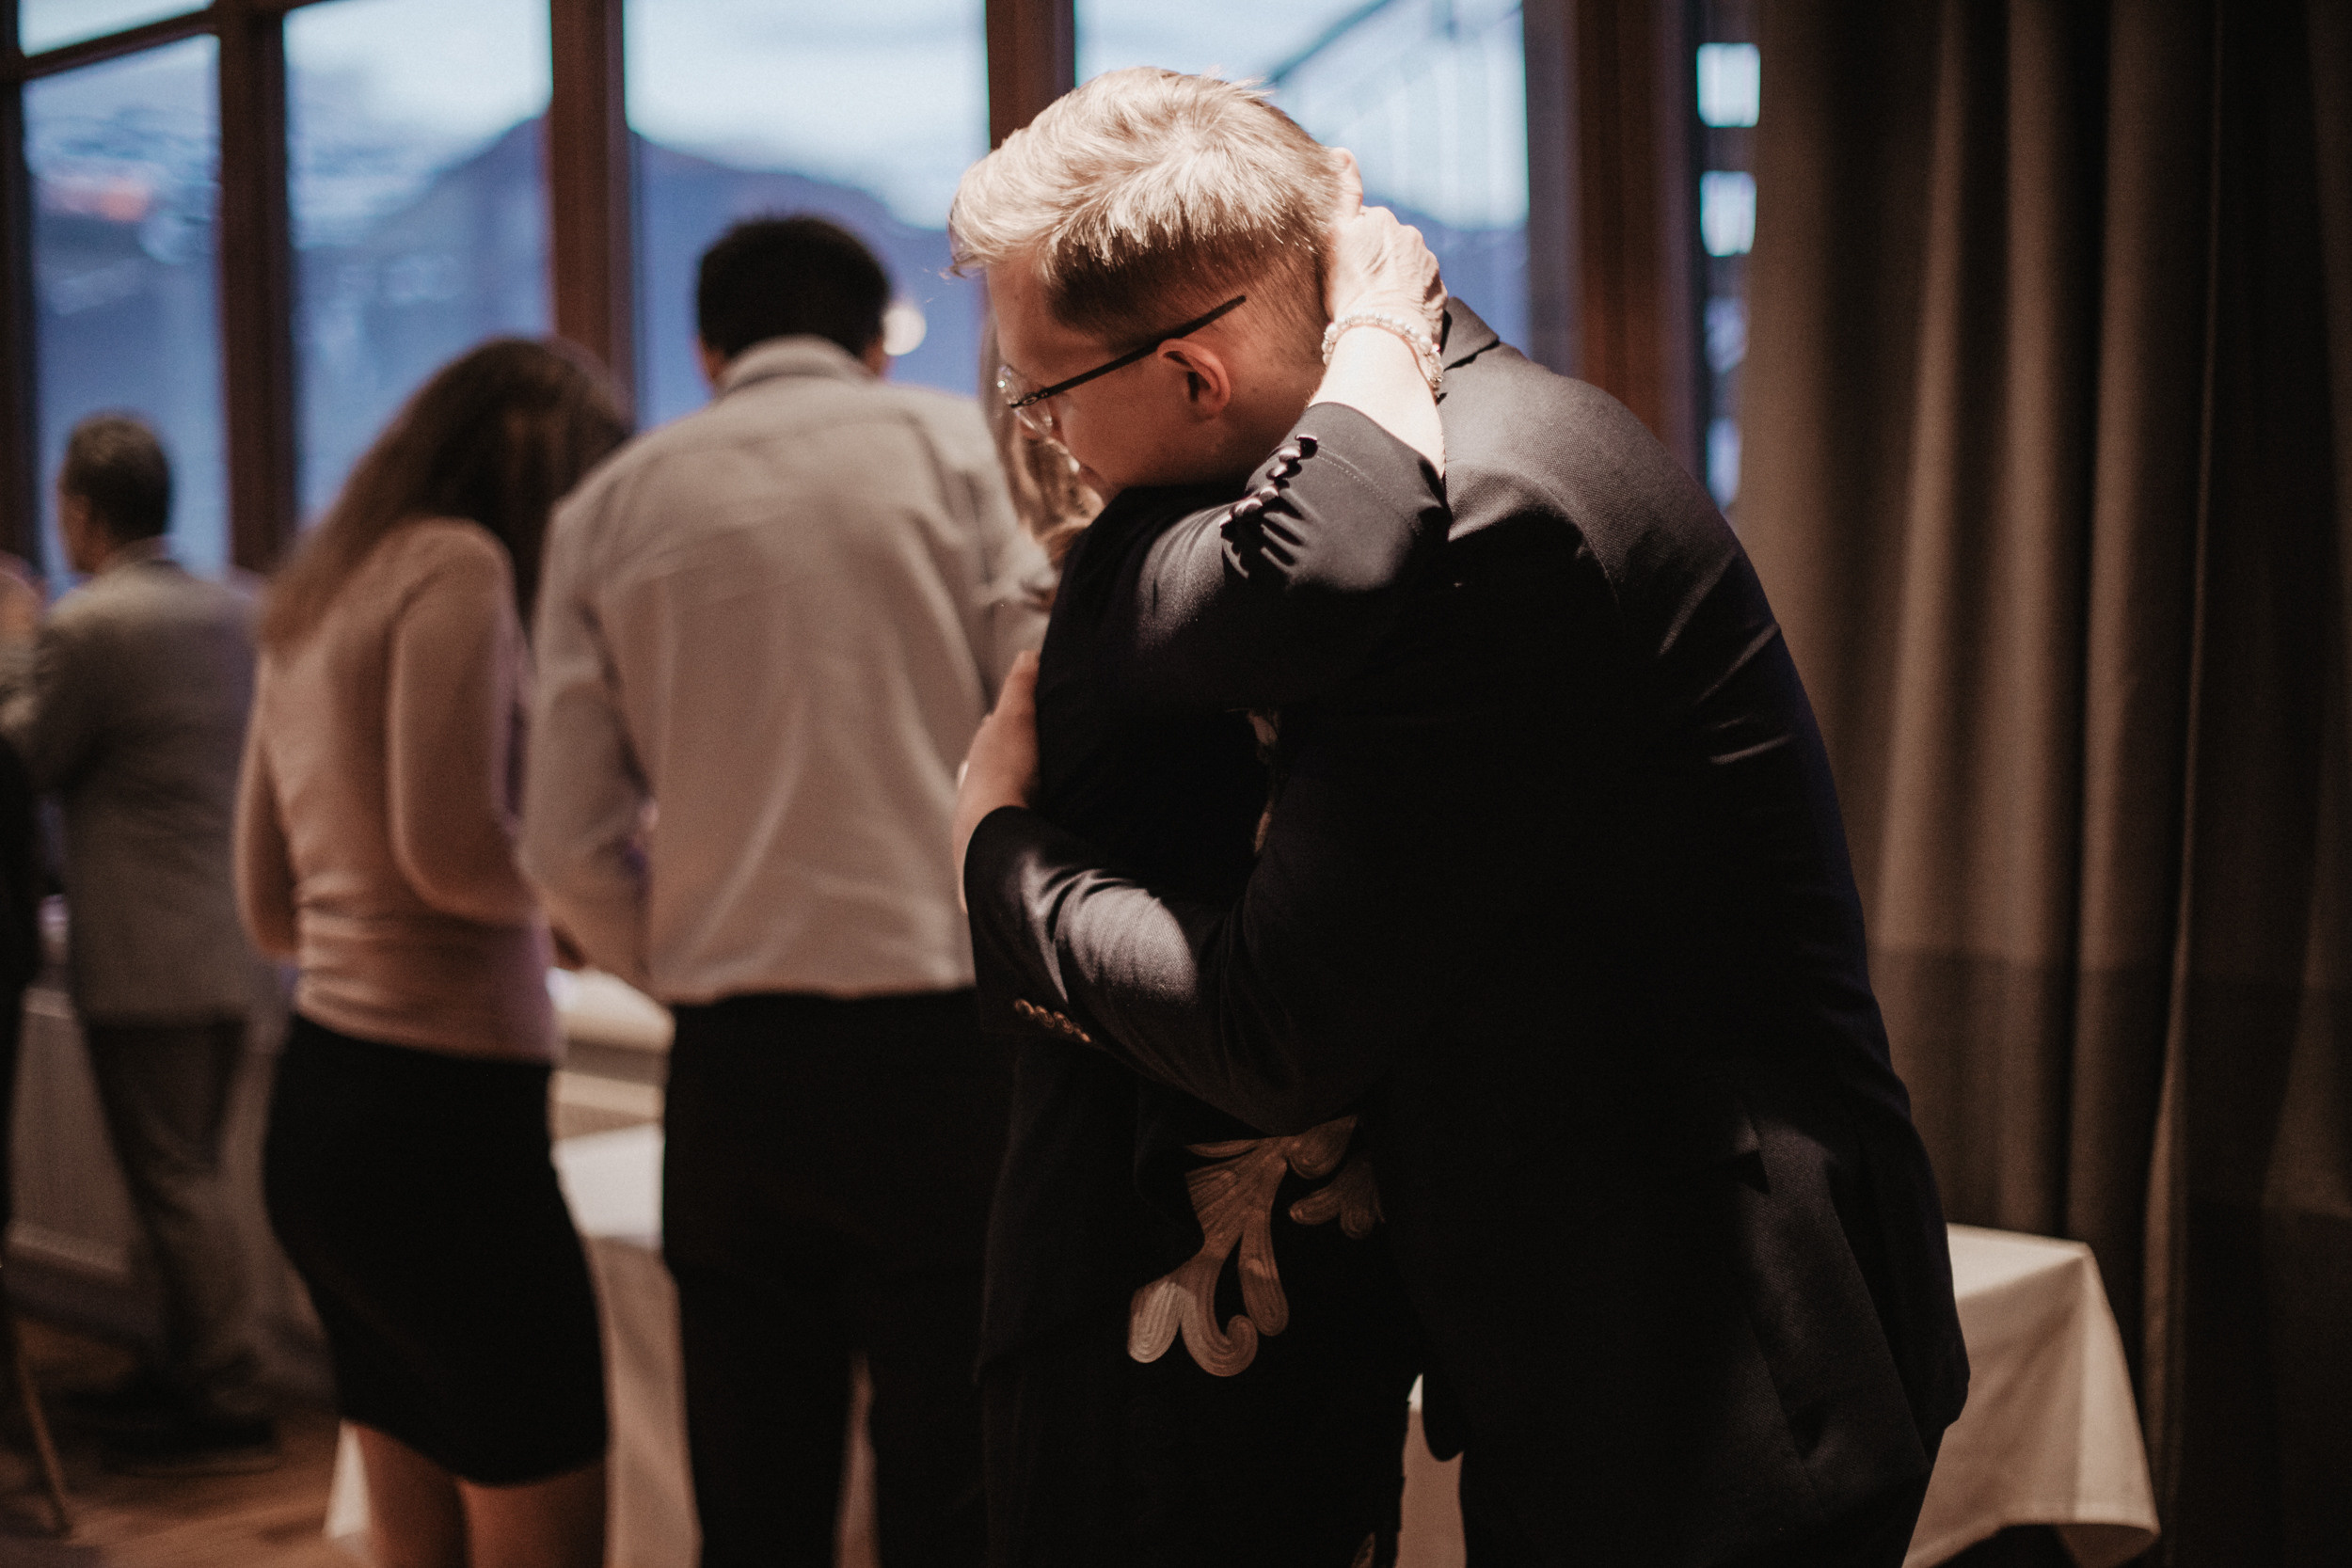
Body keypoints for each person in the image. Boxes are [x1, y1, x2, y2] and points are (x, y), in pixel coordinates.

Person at [950, 70, 1970, 1567]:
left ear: (1197, 373)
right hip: (1616, 1303)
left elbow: (1270, 1024)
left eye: (1042, 395)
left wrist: (1000, 853)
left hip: (1704, 1350)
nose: (1042, 439)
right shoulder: (1450, 443)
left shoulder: (1479, 525)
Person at [520, 214, 1044, 1567]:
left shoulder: (611, 504)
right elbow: (1039, 705)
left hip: (737, 1066)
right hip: (945, 1050)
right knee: (954, 1484)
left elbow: (568, 840)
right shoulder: (945, 452)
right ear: (877, 338)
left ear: (709, 349)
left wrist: (682, 954)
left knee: (756, 1492)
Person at [236, 339, 628, 1568]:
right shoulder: (458, 567)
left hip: (323, 1102)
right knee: (544, 1501)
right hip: (446, 1125)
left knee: (415, 1525)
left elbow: (267, 905)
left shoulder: (318, 590)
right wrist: (604, 895)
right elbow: (452, 851)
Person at [0, 413, 273, 1475]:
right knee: (193, 1170)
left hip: (142, 950)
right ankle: (184, 1365)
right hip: (238, 936)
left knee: (171, 1178)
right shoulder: (242, 606)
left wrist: (14, 644)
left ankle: (225, 1387)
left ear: (82, 509)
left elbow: (26, 758)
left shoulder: (90, 624)